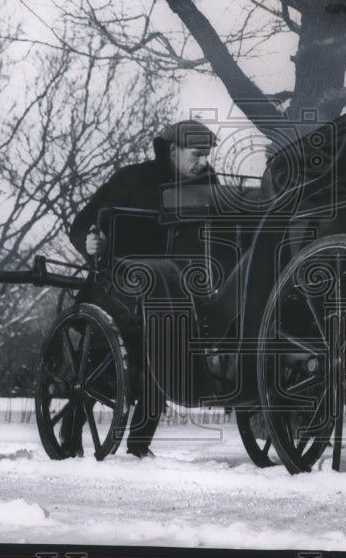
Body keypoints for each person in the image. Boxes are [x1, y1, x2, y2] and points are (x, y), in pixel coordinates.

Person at [68, 119, 218, 458]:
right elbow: (85, 222)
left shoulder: (209, 184)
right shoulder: (132, 178)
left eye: (207, 155)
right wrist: (90, 242)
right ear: (173, 150)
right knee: (99, 361)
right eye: (197, 154)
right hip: (121, 286)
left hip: (179, 290)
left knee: (163, 359)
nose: (203, 163)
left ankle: (139, 446)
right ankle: (69, 434)